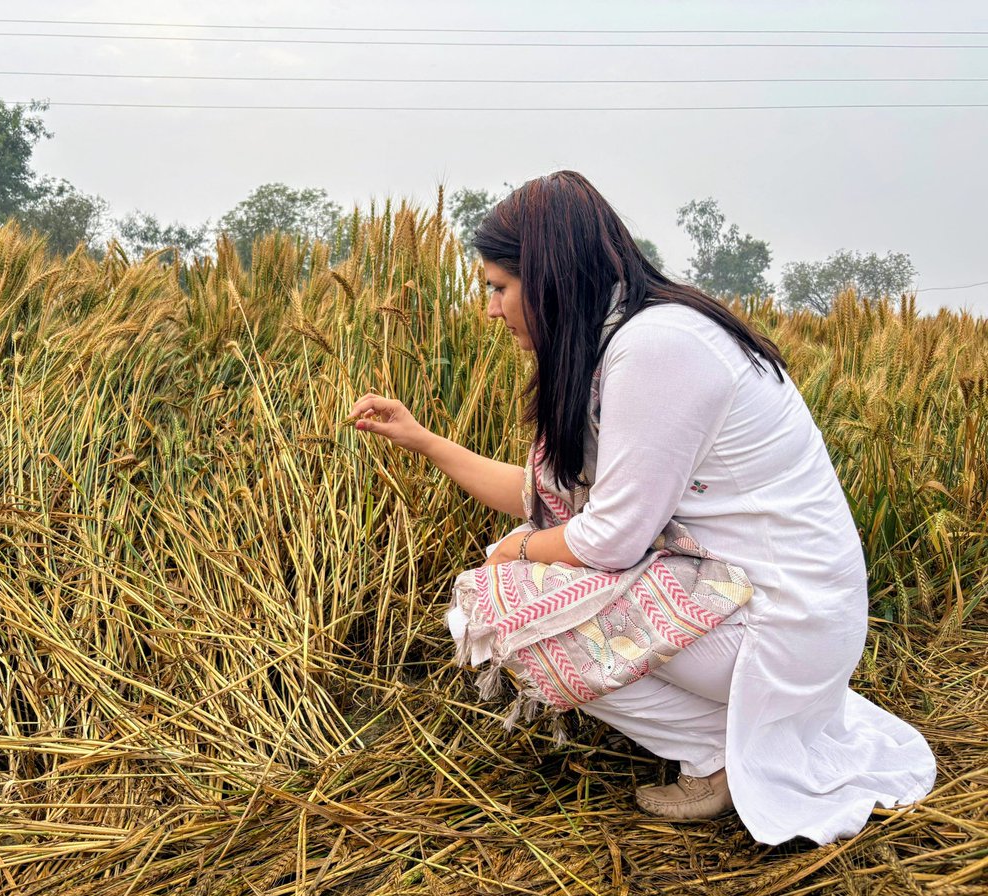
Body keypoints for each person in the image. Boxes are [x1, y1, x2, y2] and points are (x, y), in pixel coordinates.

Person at [348, 171, 935, 846]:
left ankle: (715, 754)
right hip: (755, 603)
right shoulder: (630, 338)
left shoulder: (657, 347)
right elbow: (546, 501)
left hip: (782, 622)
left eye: (500, 287)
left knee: (501, 604)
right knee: (514, 579)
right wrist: (424, 440)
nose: (490, 309)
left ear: (551, 278)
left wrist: (514, 552)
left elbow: (608, 541)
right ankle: (738, 738)